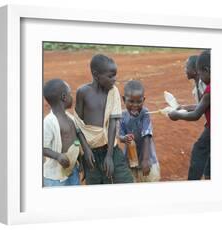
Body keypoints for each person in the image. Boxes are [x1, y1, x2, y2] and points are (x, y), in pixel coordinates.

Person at [74, 54, 133, 184]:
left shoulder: (113, 92)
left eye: (115, 75)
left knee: (125, 180)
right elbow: (78, 125)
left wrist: (110, 156)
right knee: (96, 185)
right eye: (110, 76)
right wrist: (86, 150)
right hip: (91, 152)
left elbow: (112, 123)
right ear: (96, 75)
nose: (114, 79)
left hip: (111, 148)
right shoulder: (83, 92)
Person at [168, 50, 211, 180]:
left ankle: (194, 183)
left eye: (186, 67)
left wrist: (177, 115)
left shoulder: (208, 88)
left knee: (200, 150)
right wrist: (184, 108)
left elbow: (197, 114)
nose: (184, 69)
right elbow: (202, 106)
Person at [119, 80, 160, 182]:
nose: (135, 105)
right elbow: (120, 135)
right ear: (124, 99)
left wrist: (146, 160)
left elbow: (147, 136)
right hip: (130, 160)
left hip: (147, 158)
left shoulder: (145, 113)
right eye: (131, 101)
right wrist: (125, 138)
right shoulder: (122, 116)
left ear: (144, 100)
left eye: (139, 101)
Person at [43, 79, 81, 186]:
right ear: (64, 97)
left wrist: (79, 159)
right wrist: (58, 156)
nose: (72, 97)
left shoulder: (71, 119)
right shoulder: (49, 122)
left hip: (72, 171)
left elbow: (76, 141)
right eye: (70, 94)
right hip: (55, 178)